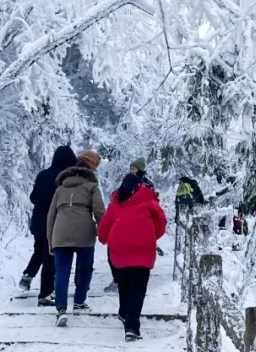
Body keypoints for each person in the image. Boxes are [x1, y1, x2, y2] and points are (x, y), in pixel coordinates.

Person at [98, 168, 167, 341]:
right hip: (143, 248)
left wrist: (104, 239)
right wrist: (152, 235)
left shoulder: (116, 203)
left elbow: (104, 229)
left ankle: (123, 311)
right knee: (138, 287)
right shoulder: (149, 200)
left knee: (124, 283)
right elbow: (161, 222)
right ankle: (132, 326)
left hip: (120, 249)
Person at [47, 149, 105, 327]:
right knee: (85, 267)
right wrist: (104, 231)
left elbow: (51, 216)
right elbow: (99, 211)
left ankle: (61, 309)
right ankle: (79, 301)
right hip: (84, 232)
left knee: (62, 271)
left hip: (60, 233)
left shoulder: (60, 188)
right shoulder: (92, 187)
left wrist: (51, 241)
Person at [19, 145, 76, 304]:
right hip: (55, 223)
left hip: (38, 221)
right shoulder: (65, 179)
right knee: (50, 257)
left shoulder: (43, 174)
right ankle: (45, 293)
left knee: (39, 250)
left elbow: (33, 198)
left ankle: (28, 274)